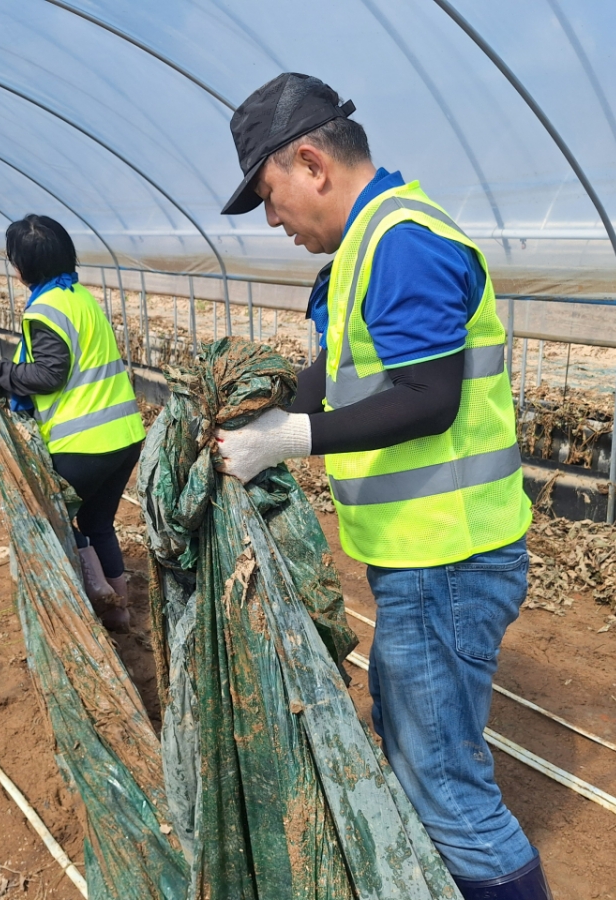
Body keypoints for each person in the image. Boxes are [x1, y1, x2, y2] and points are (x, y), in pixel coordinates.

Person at [215, 74, 552, 899]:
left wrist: (290, 439)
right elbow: (336, 373)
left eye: (269, 194)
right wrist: (252, 421)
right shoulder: (364, 248)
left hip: (450, 560)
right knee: (409, 748)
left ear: (310, 162)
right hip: (422, 561)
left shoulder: (402, 241)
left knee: (447, 788)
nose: (272, 219)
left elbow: (429, 401)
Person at [0, 215, 145, 632]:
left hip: (83, 444)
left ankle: (94, 595)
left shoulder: (44, 309)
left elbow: (49, 374)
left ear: (22, 267)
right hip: (124, 437)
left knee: (53, 516)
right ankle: (120, 612)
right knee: (98, 523)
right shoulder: (79, 297)